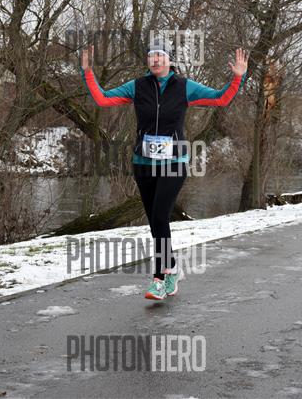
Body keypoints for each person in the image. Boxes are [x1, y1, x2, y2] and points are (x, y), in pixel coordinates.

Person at [80, 38, 248, 300]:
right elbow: (102, 99)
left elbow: (220, 99)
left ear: (170, 60)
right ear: (148, 60)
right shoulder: (137, 86)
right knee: (156, 223)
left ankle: (159, 278)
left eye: (161, 55)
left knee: (160, 217)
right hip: (143, 164)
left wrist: (237, 77)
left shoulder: (184, 87)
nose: (156, 59)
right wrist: (88, 72)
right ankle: (172, 270)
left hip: (173, 164)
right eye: (152, 55)